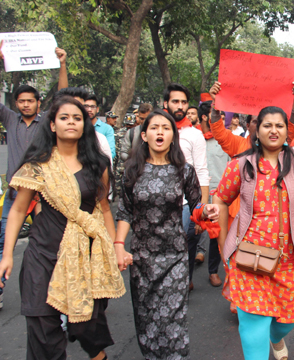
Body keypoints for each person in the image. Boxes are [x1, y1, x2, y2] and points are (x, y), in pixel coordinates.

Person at [0, 96, 125, 360]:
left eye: (77, 118)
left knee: (86, 326)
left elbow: (103, 210)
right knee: (42, 328)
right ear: (53, 125)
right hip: (43, 254)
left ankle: (97, 353)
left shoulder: (98, 165)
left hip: (85, 255)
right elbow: (19, 210)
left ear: (85, 125)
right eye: (64, 117)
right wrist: (7, 254)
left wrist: (115, 249)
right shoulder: (38, 166)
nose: (71, 122)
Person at [213, 106, 294, 360]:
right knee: (254, 324)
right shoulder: (240, 164)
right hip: (248, 260)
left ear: (288, 130)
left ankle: (276, 338)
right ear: (257, 130)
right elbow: (221, 199)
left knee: (286, 321)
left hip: (291, 261)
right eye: (267, 125)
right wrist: (224, 245)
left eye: (279, 125)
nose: (273, 130)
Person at [115, 109, 219, 359]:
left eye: (166, 127)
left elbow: (195, 206)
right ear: (144, 135)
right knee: (146, 317)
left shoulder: (185, 171)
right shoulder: (131, 171)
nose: (160, 132)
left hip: (174, 256)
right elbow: (125, 211)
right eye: (154, 127)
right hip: (142, 257)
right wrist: (119, 244)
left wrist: (207, 209)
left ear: (173, 136)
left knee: (173, 317)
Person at [0, 45, 69, 307]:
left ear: (39, 103)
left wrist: (62, 64)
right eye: (21, 101)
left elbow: (63, 96)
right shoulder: (9, 120)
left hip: (43, 194)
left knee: (47, 243)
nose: (26, 104)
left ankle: (52, 293)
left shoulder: (47, 122)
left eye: (30, 100)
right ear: (16, 104)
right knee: (4, 238)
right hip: (15, 193)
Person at [162, 83, 210, 291]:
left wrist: (201, 210)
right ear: (166, 103)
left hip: (183, 203)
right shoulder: (155, 129)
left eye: (183, 102)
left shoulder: (194, 135)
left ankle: (183, 283)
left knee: (184, 245)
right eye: (175, 101)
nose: (180, 106)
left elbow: (201, 172)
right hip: (156, 202)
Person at [196, 101, 230, 287]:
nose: (219, 119)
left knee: (217, 234)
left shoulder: (225, 140)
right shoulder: (194, 138)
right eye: (215, 115)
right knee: (191, 233)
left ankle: (213, 271)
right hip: (194, 193)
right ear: (204, 117)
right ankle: (187, 277)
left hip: (218, 195)